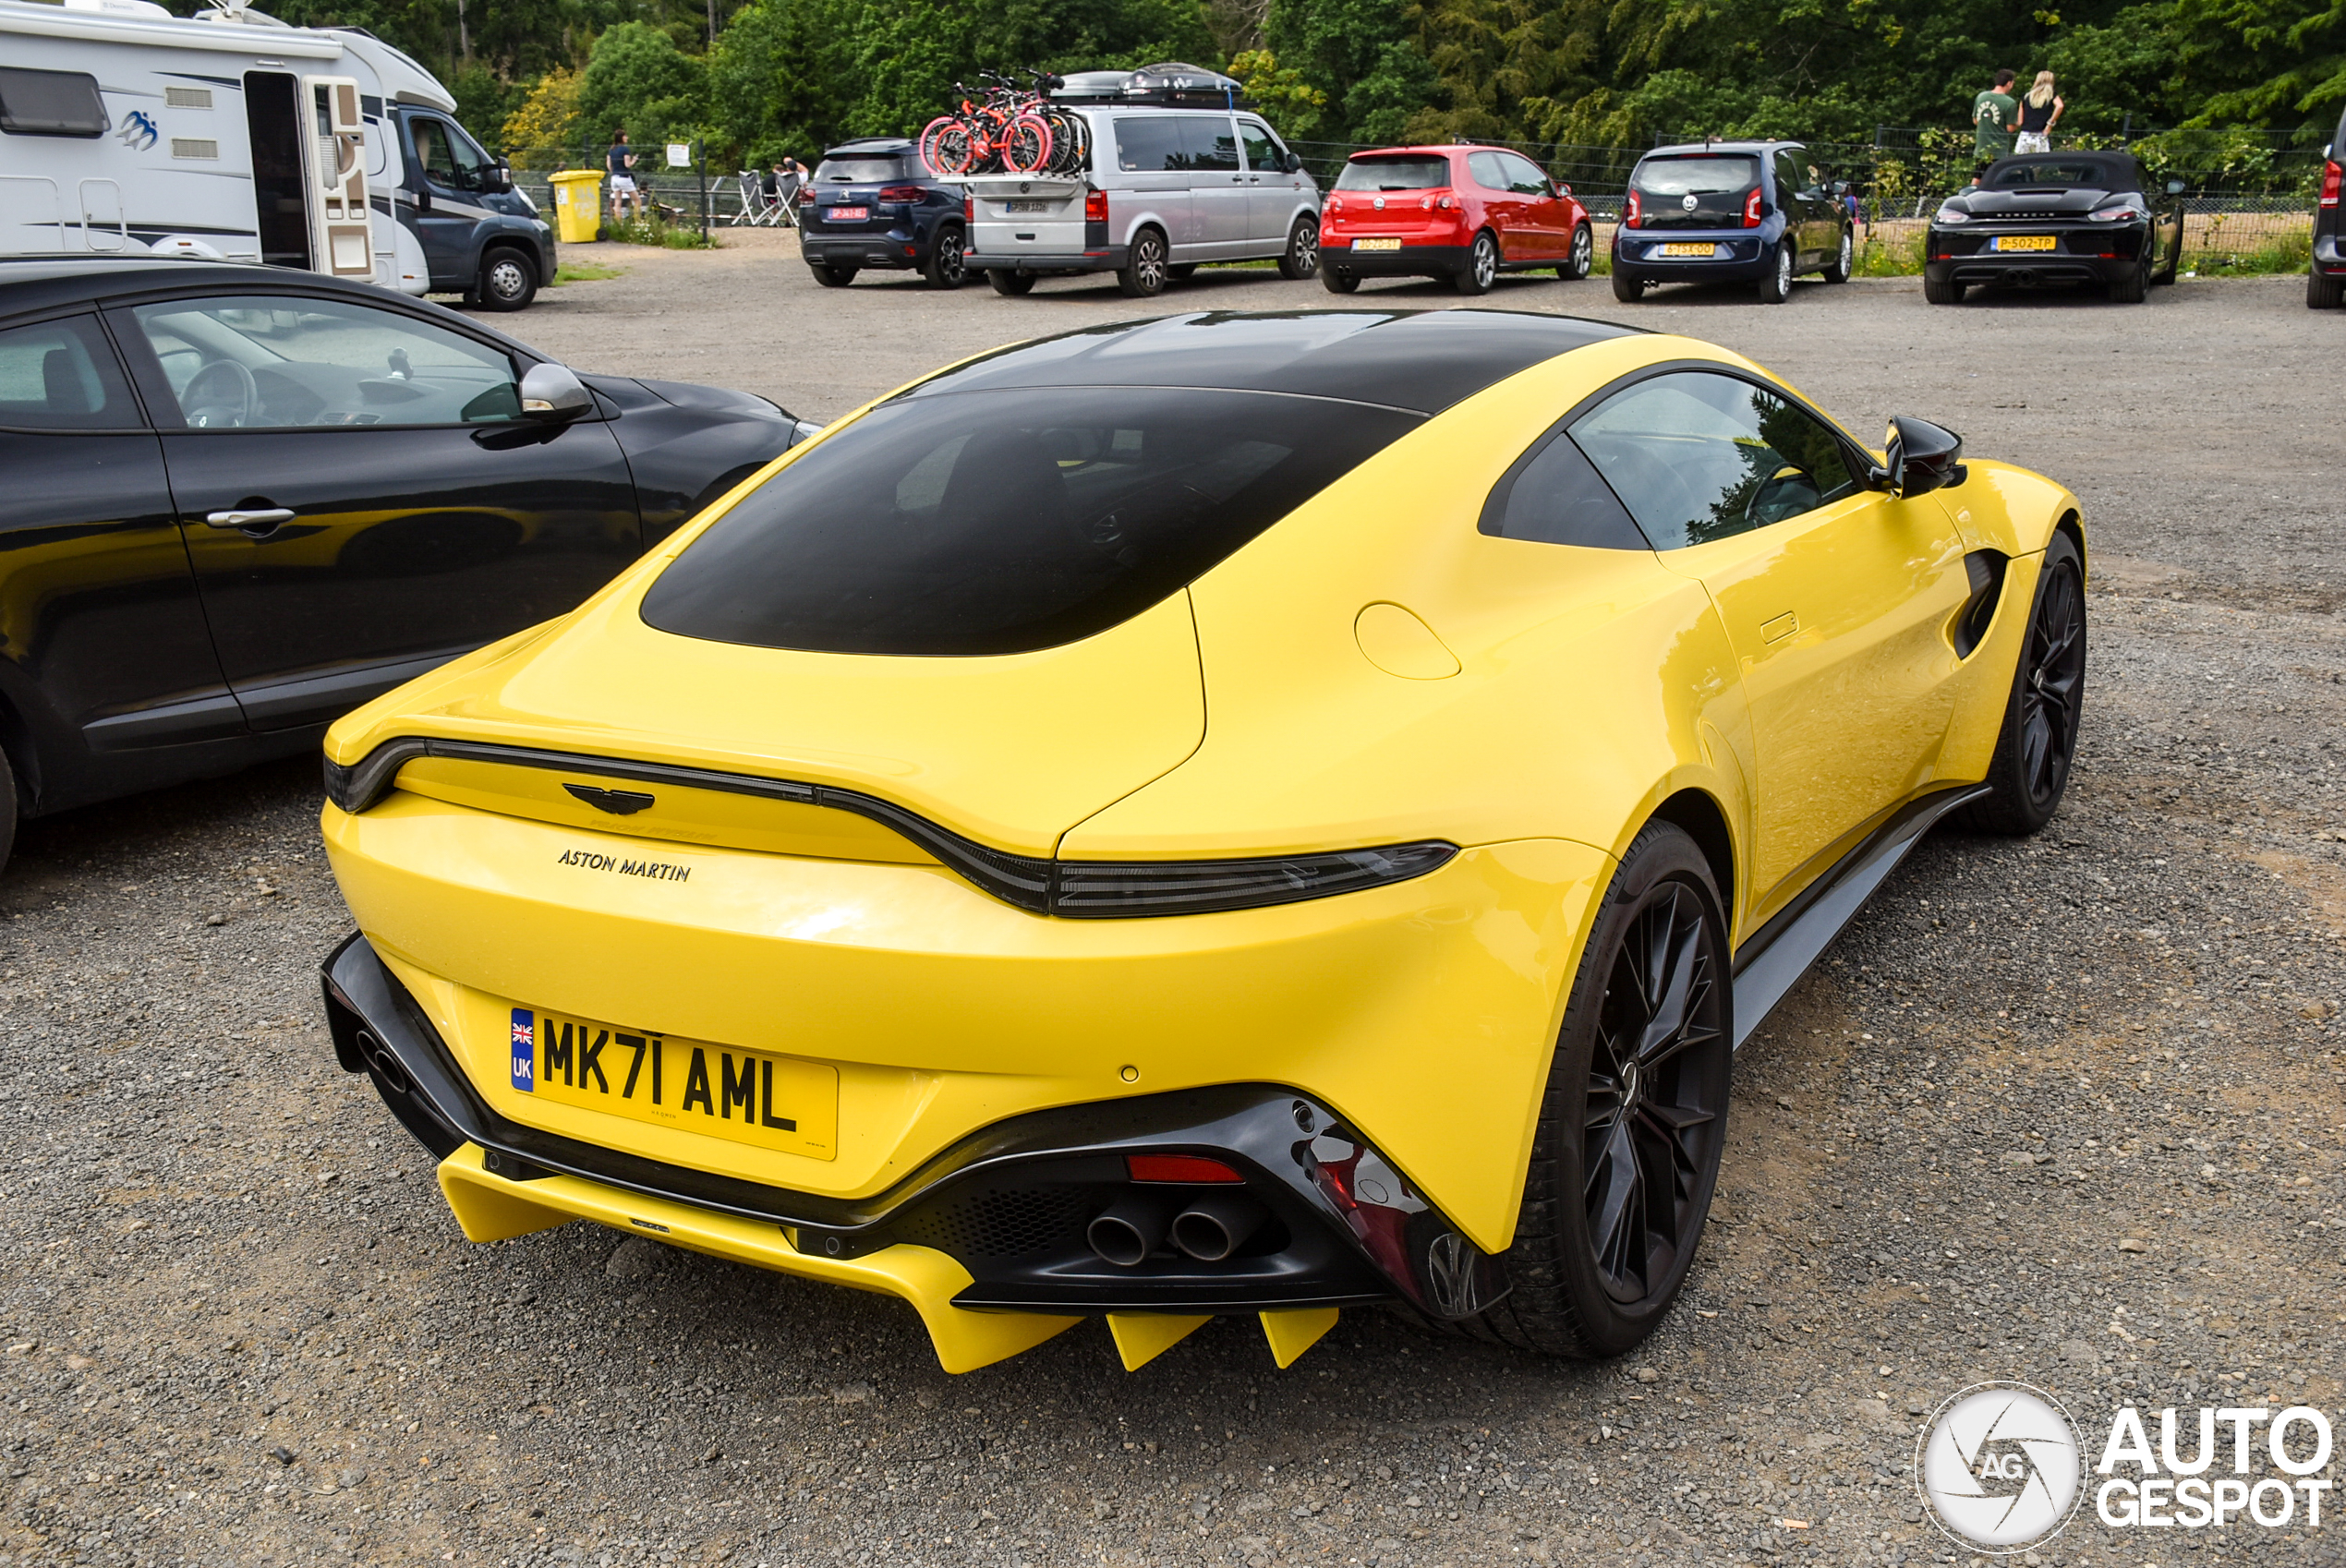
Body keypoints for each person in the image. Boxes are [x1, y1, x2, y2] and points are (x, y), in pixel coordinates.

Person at [1971, 69, 2019, 183]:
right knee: (1997, 179)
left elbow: (1975, 120)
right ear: (2009, 83)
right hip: (1999, 150)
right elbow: (2010, 128)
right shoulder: (2009, 103)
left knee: (1978, 177)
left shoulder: (1981, 97)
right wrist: (2018, 123)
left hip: (1981, 147)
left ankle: (1969, 196)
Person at [2015, 72, 2064, 154]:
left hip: (2025, 135)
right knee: (2040, 163)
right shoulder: (2051, 96)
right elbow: (2060, 106)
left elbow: (2020, 121)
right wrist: (2050, 123)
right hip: (2041, 134)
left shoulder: (2026, 97)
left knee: (2022, 162)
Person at [606, 129, 642, 226]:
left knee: (618, 201)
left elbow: (609, 165)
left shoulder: (611, 149)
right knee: (637, 200)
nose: (627, 138)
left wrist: (614, 171)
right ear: (621, 137)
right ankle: (637, 221)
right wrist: (634, 160)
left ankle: (618, 224)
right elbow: (627, 165)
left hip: (614, 178)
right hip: (624, 178)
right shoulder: (625, 149)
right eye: (625, 136)